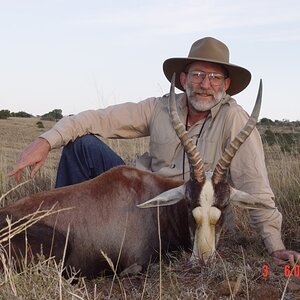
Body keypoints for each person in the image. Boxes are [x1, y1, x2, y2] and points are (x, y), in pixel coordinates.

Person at [9, 37, 300, 265]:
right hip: (141, 199)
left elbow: (256, 187)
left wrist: (275, 246)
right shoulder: (160, 107)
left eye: (214, 78)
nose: (205, 85)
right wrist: (46, 141)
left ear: (226, 85)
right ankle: (64, 229)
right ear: (184, 79)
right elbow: (96, 118)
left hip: (187, 213)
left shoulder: (234, 118)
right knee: (82, 145)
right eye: (198, 75)